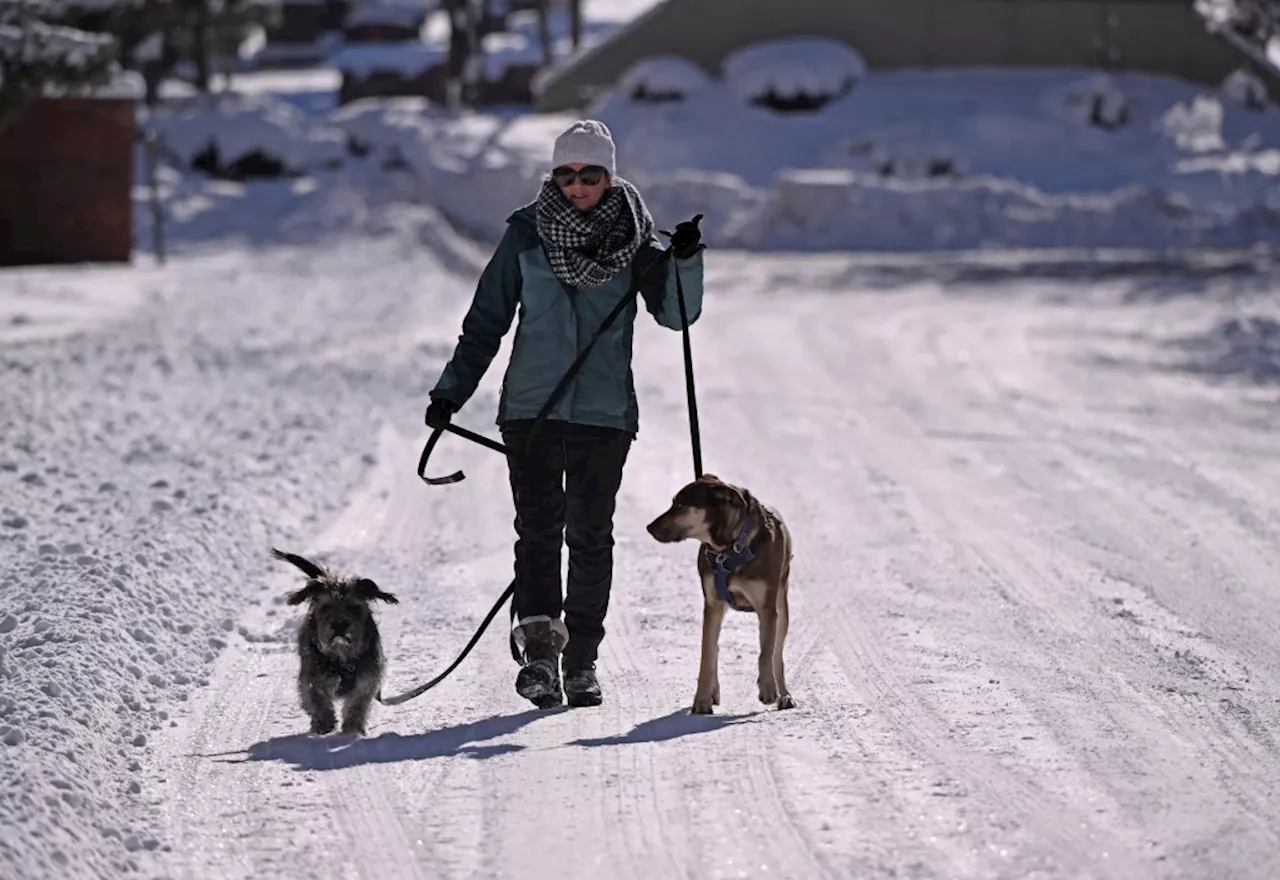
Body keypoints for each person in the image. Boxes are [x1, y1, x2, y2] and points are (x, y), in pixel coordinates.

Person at [423, 120, 706, 709]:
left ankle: (581, 663)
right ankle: (541, 659)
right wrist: (451, 391)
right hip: (531, 409)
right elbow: (486, 321)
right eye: (567, 174)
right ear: (554, 175)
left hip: (604, 413)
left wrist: (684, 262)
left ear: (610, 175)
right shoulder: (525, 233)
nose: (577, 185)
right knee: (538, 532)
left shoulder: (638, 238)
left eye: (590, 174)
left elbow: (677, 316)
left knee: (590, 536)